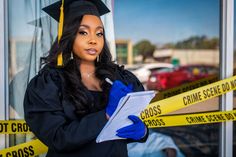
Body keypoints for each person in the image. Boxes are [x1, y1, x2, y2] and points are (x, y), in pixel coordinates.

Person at [23, 0, 148, 156]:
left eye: (99, 33)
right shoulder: (50, 83)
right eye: (83, 32)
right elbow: (58, 139)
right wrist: (106, 116)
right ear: (68, 35)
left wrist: (142, 132)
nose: (93, 40)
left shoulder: (120, 77)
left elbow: (124, 128)